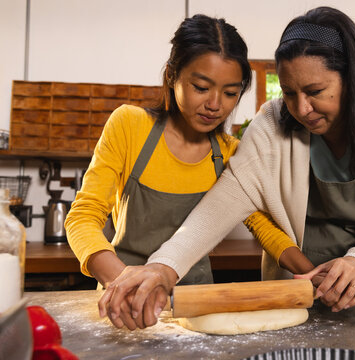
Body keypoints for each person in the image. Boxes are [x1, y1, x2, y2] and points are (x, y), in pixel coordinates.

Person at [99, 6, 355, 329]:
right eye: (288, 93)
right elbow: (220, 205)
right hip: (291, 294)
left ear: (352, 79)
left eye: (316, 92)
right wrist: (162, 268)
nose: (301, 108)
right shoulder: (272, 123)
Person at [65, 14, 305, 330]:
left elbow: (263, 225)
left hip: (195, 306)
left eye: (231, 93)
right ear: (172, 76)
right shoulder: (129, 126)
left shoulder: (229, 152)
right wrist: (121, 280)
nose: (215, 105)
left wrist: (309, 271)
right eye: (201, 87)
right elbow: (83, 217)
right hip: (122, 302)